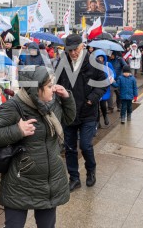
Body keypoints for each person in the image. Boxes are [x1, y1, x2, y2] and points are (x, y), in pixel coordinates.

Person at [0, 66, 76, 228]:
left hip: (49, 181)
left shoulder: (52, 103)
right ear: (36, 89)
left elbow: (68, 119)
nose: (52, 89)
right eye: (49, 86)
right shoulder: (14, 106)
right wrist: (17, 131)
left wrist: (67, 98)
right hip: (20, 182)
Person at [56, 34, 107, 191]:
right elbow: (56, 81)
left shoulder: (93, 62)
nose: (73, 53)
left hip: (87, 112)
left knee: (85, 145)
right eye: (69, 50)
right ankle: (74, 178)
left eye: (75, 50)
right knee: (70, 148)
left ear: (82, 46)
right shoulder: (62, 62)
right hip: (69, 112)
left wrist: (92, 98)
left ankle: (91, 171)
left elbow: (103, 84)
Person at [93, 49, 115, 127]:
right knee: (96, 106)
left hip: (105, 88)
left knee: (102, 104)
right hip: (96, 88)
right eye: (98, 58)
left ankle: (105, 116)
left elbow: (113, 73)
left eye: (101, 57)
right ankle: (97, 122)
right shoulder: (94, 66)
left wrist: (110, 79)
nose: (100, 59)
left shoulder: (108, 64)